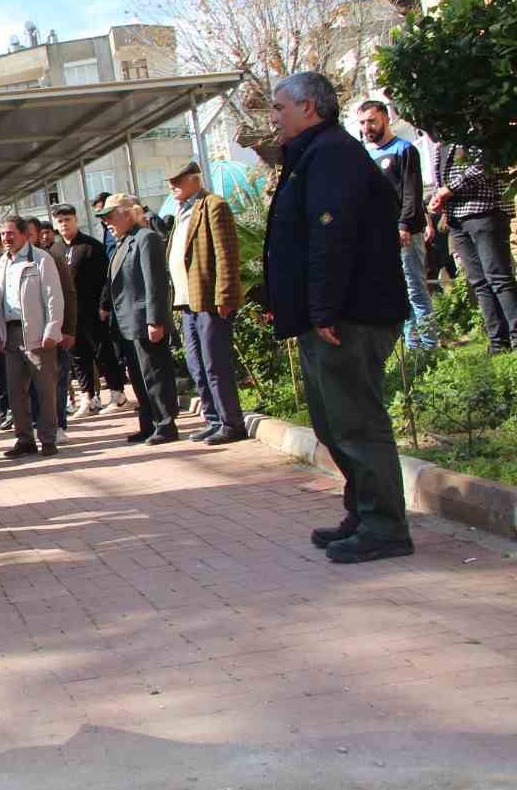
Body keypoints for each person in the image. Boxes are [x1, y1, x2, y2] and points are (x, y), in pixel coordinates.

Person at [266, 72, 413, 563]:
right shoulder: (313, 153)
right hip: (326, 316)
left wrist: (324, 307)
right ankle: (363, 512)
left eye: (279, 106)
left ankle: (385, 526)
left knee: (357, 423)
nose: (273, 116)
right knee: (333, 424)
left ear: (309, 107)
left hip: (349, 316)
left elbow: (332, 235)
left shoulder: (331, 153)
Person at [164, 161, 248, 445]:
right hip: (188, 302)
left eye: (177, 181)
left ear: (194, 179)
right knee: (197, 364)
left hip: (210, 300)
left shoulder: (213, 205)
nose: (172, 186)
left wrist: (225, 295)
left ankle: (231, 422)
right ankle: (213, 420)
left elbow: (226, 253)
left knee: (215, 364)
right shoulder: (182, 211)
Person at [97, 194, 179, 445]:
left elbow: (155, 283)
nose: (106, 222)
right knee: (139, 377)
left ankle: (165, 425)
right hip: (127, 323)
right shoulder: (124, 241)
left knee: (154, 374)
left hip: (144, 320)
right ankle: (149, 424)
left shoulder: (146, 238)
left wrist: (155, 320)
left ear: (127, 213)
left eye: (110, 216)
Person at [359, 101, 437, 351]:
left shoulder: (405, 150)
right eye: (362, 122)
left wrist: (403, 225)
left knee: (415, 289)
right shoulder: (365, 154)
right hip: (379, 236)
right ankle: (412, 347)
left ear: (385, 118)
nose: (367, 127)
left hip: (405, 233)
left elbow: (411, 193)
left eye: (371, 121)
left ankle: (429, 345)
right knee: (398, 293)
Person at [429, 135, 517, 352]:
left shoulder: (470, 130)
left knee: (498, 277)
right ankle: (498, 343)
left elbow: (483, 165)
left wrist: (448, 190)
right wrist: (437, 196)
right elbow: (441, 180)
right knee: (478, 281)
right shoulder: (440, 142)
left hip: (484, 211)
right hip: (456, 219)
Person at [0, 214, 66, 458]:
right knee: (15, 391)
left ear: (24, 234)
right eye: (3, 234)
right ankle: (24, 440)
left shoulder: (41, 259)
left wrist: (52, 330)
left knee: (44, 389)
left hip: (36, 334)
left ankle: (47, 438)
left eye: (11, 233)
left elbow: (54, 297)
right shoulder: (3, 262)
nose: (6, 238)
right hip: (11, 334)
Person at [49, 204, 112, 419]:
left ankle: (117, 392)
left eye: (68, 219)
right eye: (60, 221)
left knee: (102, 351)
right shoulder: (55, 251)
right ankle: (88, 397)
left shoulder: (91, 246)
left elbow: (106, 279)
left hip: (93, 310)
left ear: (76, 220)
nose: (64, 224)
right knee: (78, 356)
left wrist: (104, 305)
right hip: (70, 315)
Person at [25, 216, 75, 441]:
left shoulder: (51, 257)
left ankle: (58, 425)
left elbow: (68, 293)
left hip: (54, 330)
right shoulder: (15, 260)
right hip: (30, 333)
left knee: (57, 379)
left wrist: (68, 329)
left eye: (30, 233)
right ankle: (40, 424)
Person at [87, 192, 132, 415]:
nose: (104, 220)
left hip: (127, 306)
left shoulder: (138, 238)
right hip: (118, 305)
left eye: (107, 214)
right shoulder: (109, 233)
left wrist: (105, 304)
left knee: (117, 350)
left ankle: (121, 394)